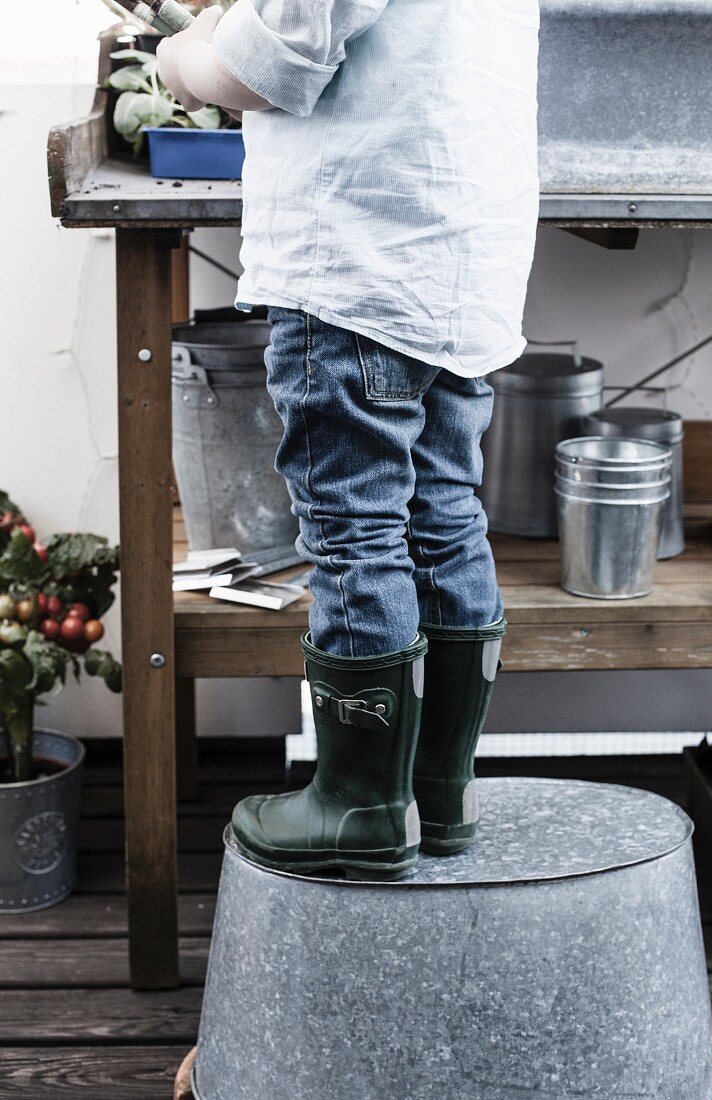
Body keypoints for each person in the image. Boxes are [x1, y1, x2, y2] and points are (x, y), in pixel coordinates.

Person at [158, 0, 539, 880]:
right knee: (443, 516)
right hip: (459, 266)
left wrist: (186, 55)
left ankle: (360, 805)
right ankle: (435, 793)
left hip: (357, 265)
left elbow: (272, 65)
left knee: (355, 530)